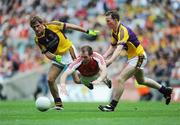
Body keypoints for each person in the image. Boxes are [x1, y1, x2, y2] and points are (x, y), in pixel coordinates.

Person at [98, 10, 173, 112]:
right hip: (134, 57)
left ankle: (112, 106)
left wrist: (110, 61)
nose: (107, 23)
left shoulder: (123, 31)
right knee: (141, 80)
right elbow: (112, 47)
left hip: (139, 56)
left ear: (115, 20)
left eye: (108, 21)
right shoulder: (114, 31)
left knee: (120, 79)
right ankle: (165, 90)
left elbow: (119, 49)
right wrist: (103, 56)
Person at [30, 16, 98, 110]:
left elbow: (71, 26)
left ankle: (93, 79)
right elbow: (46, 53)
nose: (36, 29)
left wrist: (86, 31)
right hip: (58, 58)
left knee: (77, 80)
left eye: (38, 26)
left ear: (42, 23)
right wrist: (55, 57)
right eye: (34, 28)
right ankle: (58, 104)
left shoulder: (53, 25)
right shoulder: (37, 39)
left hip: (69, 52)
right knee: (50, 79)